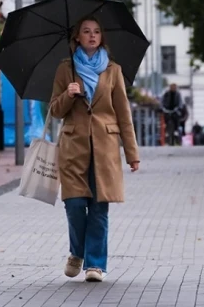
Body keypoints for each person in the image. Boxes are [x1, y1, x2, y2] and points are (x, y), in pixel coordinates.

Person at [50, 15, 140, 283]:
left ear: (102, 37)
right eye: (86, 31)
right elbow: (55, 111)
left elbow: (124, 115)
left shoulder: (113, 70)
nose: (92, 35)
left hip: (105, 148)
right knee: (75, 205)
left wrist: (132, 154)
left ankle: (96, 265)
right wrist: (69, 94)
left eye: (97, 31)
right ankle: (77, 253)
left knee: (99, 208)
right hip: (73, 147)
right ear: (77, 37)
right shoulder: (65, 69)